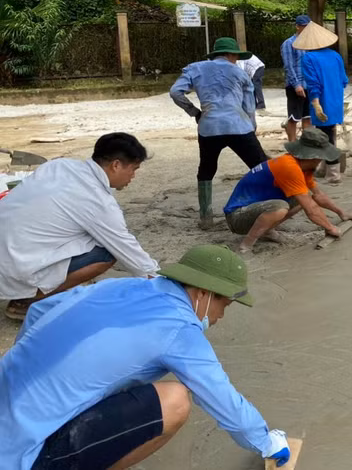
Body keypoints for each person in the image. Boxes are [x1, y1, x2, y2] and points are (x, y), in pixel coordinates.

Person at [0, 244, 293, 468]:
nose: (219, 317)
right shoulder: (179, 329)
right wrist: (265, 442)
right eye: (224, 306)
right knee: (175, 400)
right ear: (204, 294)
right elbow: (220, 396)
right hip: (20, 455)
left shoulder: (124, 285)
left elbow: (39, 311)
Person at [0, 133, 159, 322]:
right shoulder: (98, 201)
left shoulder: (58, 165)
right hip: (15, 266)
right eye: (133, 169)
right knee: (107, 251)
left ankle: (30, 286)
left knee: (86, 234)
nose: (133, 176)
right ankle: (27, 300)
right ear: (116, 165)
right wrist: (160, 282)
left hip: (8, 250)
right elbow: (127, 249)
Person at [170, 37, 268, 230]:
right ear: (231, 55)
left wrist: (194, 112)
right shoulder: (239, 73)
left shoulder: (195, 68)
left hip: (209, 127)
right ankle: (268, 208)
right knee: (260, 166)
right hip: (238, 126)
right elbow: (249, 105)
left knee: (206, 169)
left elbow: (175, 92)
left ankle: (206, 217)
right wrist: (252, 125)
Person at [223, 129, 352, 253]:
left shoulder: (303, 167)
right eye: (321, 158)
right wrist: (330, 228)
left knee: (303, 197)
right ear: (313, 156)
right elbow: (311, 209)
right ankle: (246, 244)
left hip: (255, 209)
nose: (321, 161)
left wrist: (341, 212)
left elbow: (318, 195)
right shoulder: (288, 167)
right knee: (281, 207)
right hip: (237, 216)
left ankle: (266, 230)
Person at [298, 22, 349, 184]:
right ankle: (323, 167)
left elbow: (313, 84)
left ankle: (333, 173)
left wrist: (316, 102)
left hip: (322, 101)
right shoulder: (335, 55)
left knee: (324, 137)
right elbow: (344, 80)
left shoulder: (308, 58)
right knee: (329, 132)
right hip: (336, 100)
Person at [281, 14, 311, 141]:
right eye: (303, 26)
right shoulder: (289, 43)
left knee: (307, 117)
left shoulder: (310, 44)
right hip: (295, 86)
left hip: (309, 84)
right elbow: (288, 66)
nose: (305, 29)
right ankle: (292, 144)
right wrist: (296, 84)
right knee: (294, 118)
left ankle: (306, 144)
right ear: (297, 27)